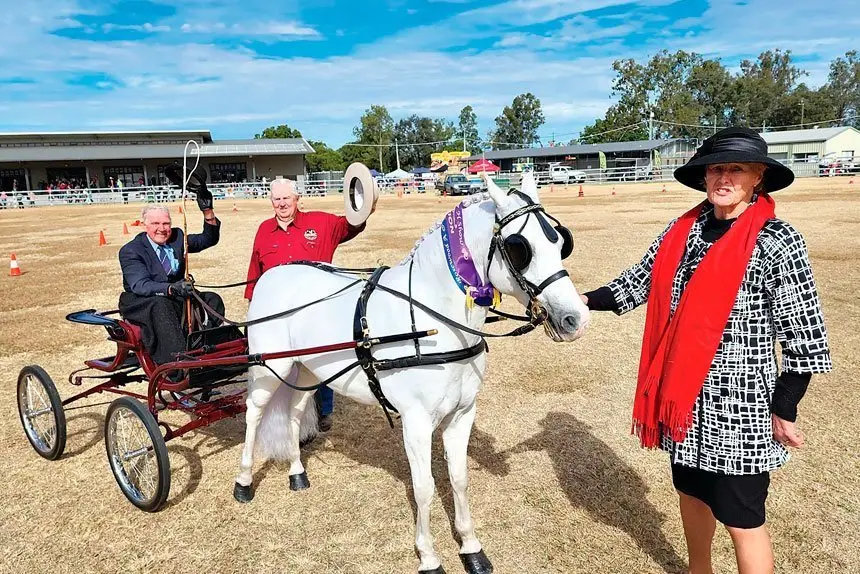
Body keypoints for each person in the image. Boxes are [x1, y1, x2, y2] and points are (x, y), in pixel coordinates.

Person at [581, 127, 832, 574]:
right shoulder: (684, 231)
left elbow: (803, 335)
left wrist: (786, 406)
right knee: (692, 494)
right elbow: (636, 283)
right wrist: (582, 300)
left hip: (742, 409)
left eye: (736, 168)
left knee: (743, 518)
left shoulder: (777, 241)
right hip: (685, 402)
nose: (724, 177)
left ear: (759, 177)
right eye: (716, 167)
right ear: (703, 176)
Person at [245, 178, 372, 431]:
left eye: (286, 198)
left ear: (297, 199)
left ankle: (323, 410)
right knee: (278, 368)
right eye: (277, 199)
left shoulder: (321, 222)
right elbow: (255, 271)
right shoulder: (263, 230)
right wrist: (252, 305)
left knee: (322, 361)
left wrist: (364, 199)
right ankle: (280, 415)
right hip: (277, 315)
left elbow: (352, 224)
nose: (282, 204)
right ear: (271, 201)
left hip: (316, 315)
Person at [118, 168, 223, 369]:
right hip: (142, 302)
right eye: (156, 223)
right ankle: (177, 364)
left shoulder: (176, 238)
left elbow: (208, 239)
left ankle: (205, 350)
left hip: (175, 297)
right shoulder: (131, 250)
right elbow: (140, 285)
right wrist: (170, 289)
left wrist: (207, 211)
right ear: (144, 225)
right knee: (161, 306)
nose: (162, 228)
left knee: (212, 300)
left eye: (166, 223)